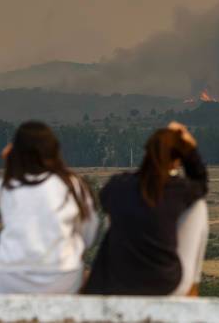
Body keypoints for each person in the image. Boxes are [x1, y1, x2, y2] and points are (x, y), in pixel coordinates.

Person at [83, 122, 208, 295]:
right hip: (162, 283)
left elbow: (105, 198)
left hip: (113, 281)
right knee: (199, 206)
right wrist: (191, 150)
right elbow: (201, 184)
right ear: (177, 160)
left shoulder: (118, 186)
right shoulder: (178, 190)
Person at [0, 121, 98, 294]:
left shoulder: (5, 186)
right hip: (61, 278)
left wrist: (9, 156)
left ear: (16, 152)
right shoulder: (73, 185)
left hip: (9, 278)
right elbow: (88, 235)